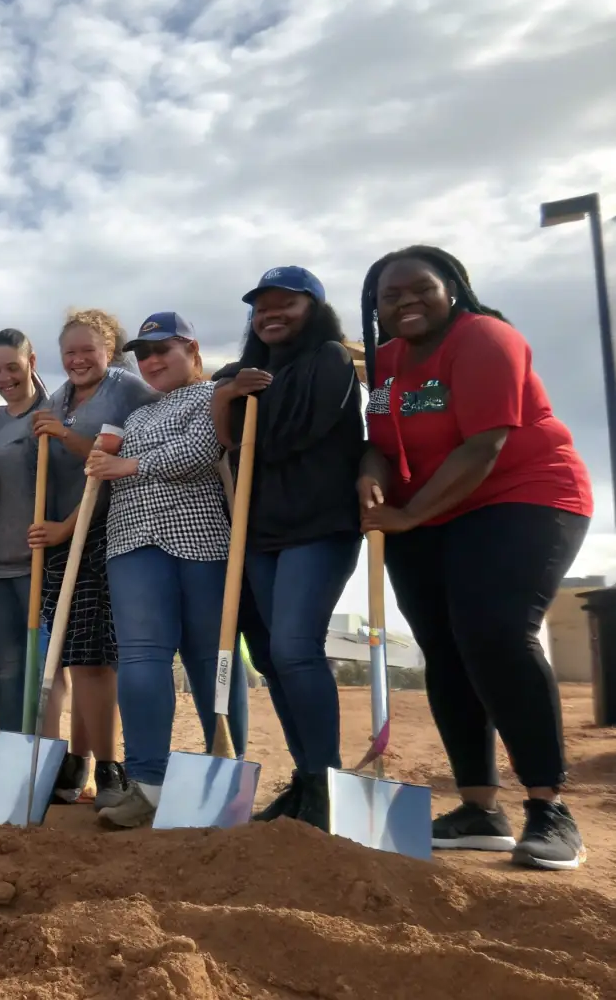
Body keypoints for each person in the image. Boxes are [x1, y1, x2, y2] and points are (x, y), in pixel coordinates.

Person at [358, 246, 593, 870]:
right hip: (427, 513)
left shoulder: (486, 338)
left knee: (494, 633)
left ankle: (548, 807)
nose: (405, 301)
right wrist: (371, 474)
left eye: (420, 288)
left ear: (453, 287)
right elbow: (380, 442)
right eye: (390, 295)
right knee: (446, 647)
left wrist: (407, 515)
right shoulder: (384, 362)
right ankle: (479, 808)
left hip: (524, 495)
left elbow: (483, 446)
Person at [211, 266, 364, 831]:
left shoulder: (330, 358)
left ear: (314, 308)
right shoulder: (242, 373)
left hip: (318, 527)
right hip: (260, 534)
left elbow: (284, 435)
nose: (271, 314)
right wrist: (227, 394)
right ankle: (305, 780)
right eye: (262, 307)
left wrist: (235, 402)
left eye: (286, 305)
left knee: (297, 648)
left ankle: (327, 782)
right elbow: (224, 441)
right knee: (275, 659)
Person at [85, 313, 247, 828]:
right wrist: (103, 460)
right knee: (142, 658)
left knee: (211, 658)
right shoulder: (135, 418)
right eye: (143, 354)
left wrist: (128, 466)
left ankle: (226, 772)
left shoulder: (213, 396)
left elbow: (202, 451)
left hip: (201, 541)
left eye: (163, 350)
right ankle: (148, 782)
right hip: (132, 542)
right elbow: (108, 469)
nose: (151, 362)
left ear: (192, 350)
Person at [28, 308, 158, 809]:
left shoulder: (125, 389)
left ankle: (109, 767)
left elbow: (110, 461)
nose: (78, 359)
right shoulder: (60, 396)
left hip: (100, 531)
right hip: (63, 540)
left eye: (89, 350)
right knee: (73, 654)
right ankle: (78, 760)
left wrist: (63, 436)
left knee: (95, 660)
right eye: (70, 352)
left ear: (109, 350)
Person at [0, 328, 51, 734]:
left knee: (46, 673)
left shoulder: (54, 414)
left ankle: (55, 762)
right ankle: (11, 758)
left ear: (32, 363)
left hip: (39, 563)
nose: (4, 378)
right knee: (5, 670)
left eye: (12, 368)